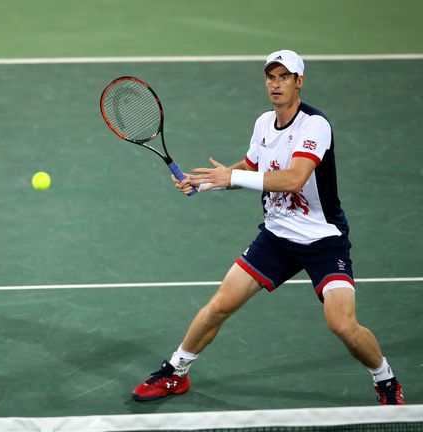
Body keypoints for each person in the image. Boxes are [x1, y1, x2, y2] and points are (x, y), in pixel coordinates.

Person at [131, 50, 404, 405]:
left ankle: (385, 379)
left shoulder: (314, 125)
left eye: (284, 77)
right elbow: (250, 165)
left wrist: (236, 175)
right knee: (219, 306)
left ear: (299, 81)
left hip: (322, 238)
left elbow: (294, 179)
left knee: (341, 324)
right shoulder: (263, 123)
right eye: (270, 78)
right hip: (276, 236)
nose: (276, 85)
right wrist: (208, 182)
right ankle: (175, 372)